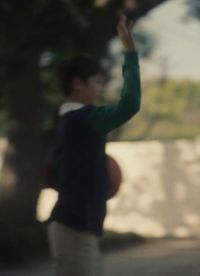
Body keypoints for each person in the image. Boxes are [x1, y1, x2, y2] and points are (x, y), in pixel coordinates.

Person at [47, 15, 140, 276]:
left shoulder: (68, 121)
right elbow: (130, 104)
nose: (100, 89)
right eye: (97, 82)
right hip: (75, 228)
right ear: (78, 83)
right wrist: (130, 53)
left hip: (75, 227)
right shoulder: (82, 120)